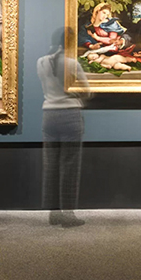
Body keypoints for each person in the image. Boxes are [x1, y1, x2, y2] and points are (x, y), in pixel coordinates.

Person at [38, 29, 88, 227]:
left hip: (48, 115)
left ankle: (53, 213)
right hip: (70, 115)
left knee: (51, 165)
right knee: (70, 166)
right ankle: (68, 214)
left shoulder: (41, 62)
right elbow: (87, 91)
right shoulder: (72, 64)